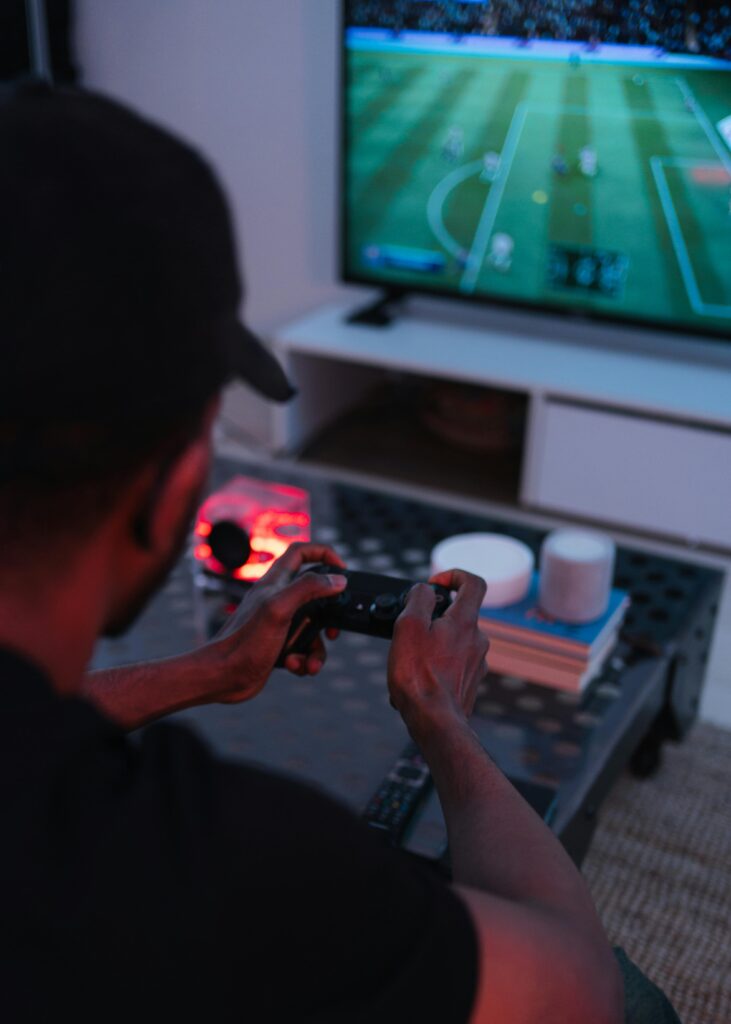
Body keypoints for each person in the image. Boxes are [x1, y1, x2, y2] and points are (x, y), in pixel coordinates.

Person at [0, 83, 679, 1023]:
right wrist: (440, 717)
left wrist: (208, 670)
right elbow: (577, 990)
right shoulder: (226, 862)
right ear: (170, 490)